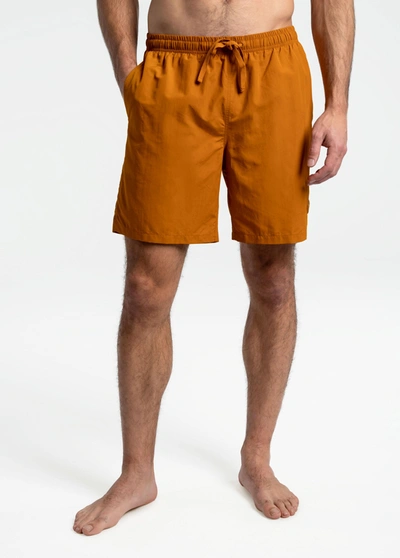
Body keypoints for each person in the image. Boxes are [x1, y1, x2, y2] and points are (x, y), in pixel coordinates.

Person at [73, 0, 355, 535]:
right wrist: (129, 73)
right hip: (172, 68)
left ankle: (257, 458)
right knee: (145, 287)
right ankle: (136, 473)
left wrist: (337, 104)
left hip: (272, 68)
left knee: (274, 279)